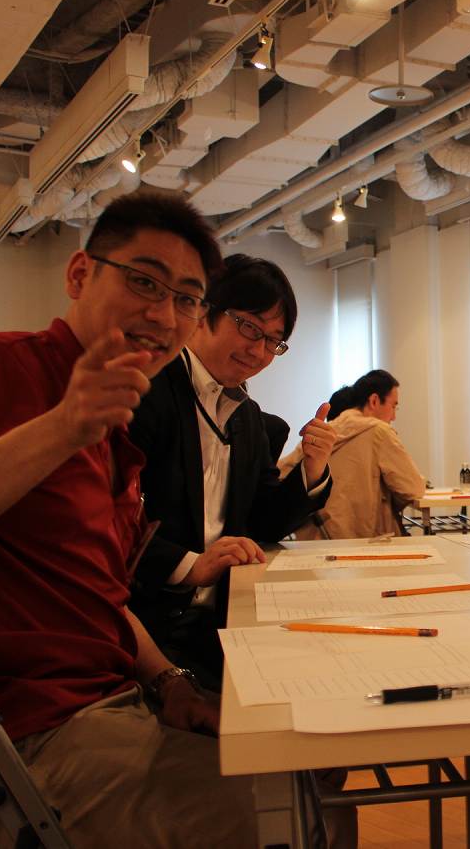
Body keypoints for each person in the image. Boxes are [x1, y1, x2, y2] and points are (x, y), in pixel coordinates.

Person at [0, 193, 257, 846]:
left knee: (307, 774)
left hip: (101, 709)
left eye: (187, 298)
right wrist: (62, 426)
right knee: (278, 806)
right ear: (78, 275)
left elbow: (98, 597)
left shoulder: (111, 432)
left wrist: (170, 682)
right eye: (144, 282)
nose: (164, 314)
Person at [128, 254, 334, 691]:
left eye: (274, 341)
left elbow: (263, 519)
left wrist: (312, 468)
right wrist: (189, 566)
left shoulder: (246, 416)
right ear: (204, 311)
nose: (259, 352)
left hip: (223, 619)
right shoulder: (145, 392)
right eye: (249, 328)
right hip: (147, 624)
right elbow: (111, 524)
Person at [285, 369, 425, 539]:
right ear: (374, 401)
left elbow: (283, 471)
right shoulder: (379, 432)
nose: (394, 416)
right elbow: (413, 488)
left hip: (316, 538)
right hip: (367, 541)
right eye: (393, 406)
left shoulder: (325, 431)